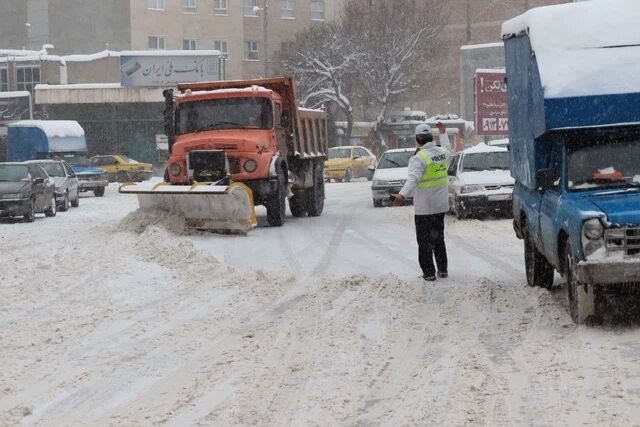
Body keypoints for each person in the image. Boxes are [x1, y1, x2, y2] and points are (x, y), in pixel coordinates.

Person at [393, 122, 451, 281]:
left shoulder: (419, 158)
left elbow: (413, 179)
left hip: (425, 207)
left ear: (417, 140)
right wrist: (443, 133)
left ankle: (429, 273)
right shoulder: (442, 153)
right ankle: (443, 269)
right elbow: (449, 150)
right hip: (441, 205)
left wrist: (401, 195)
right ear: (431, 138)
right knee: (439, 238)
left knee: (424, 242)